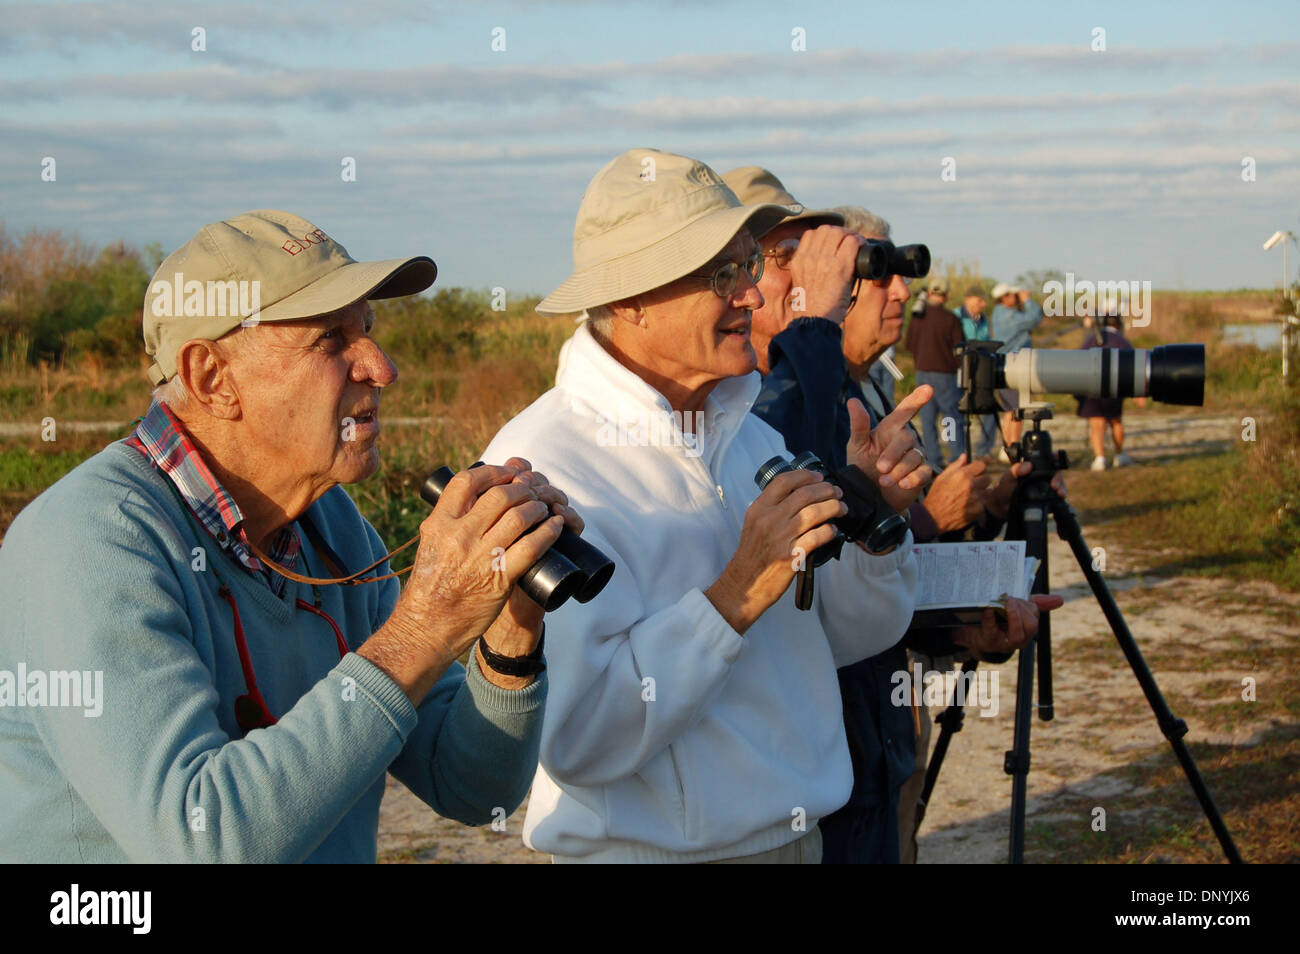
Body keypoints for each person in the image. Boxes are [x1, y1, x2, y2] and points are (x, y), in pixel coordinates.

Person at [0, 210, 581, 862]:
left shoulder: (328, 526)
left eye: (369, 331)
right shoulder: (90, 541)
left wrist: (513, 625)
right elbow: (199, 839)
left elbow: (473, 789)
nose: (383, 368)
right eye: (332, 341)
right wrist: (424, 628)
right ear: (212, 379)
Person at [481, 149, 926, 863]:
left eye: (751, 268)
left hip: (797, 842)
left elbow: (840, 638)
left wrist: (872, 515)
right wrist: (736, 591)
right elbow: (578, 739)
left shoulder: (748, 436)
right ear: (629, 299)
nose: (751, 297)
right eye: (723, 275)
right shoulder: (542, 467)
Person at [728, 172, 1059, 863]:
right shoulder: (750, 409)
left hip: (878, 740)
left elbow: (870, 585)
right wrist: (924, 518)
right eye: (873, 274)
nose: (897, 291)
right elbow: (797, 581)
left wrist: (966, 624)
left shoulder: (867, 388)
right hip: (814, 763)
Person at [904, 277, 966, 472]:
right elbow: (960, 349)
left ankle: (933, 460)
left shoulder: (917, 317)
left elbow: (908, 345)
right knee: (950, 418)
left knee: (928, 419)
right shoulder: (951, 319)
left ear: (929, 293)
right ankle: (956, 458)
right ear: (946, 296)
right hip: (946, 376)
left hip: (923, 373)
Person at [1077, 310, 1144, 470]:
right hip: (1114, 388)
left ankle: (1099, 458)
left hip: (1091, 388)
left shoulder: (1091, 339)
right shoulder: (1122, 341)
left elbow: (1079, 361)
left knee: (1096, 423)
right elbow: (1132, 366)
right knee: (1115, 421)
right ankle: (1119, 455)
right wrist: (1137, 392)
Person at [991, 282, 1045, 450]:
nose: (1016, 297)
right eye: (1013, 295)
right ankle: (1013, 445)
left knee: (1009, 410)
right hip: (1014, 366)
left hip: (1002, 365)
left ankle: (1007, 445)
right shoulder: (1008, 315)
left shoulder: (998, 313)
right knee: (1017, 410)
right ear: (1004, 297)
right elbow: (1034, 319)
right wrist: (1028, 301)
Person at [955, 285, 999, 458]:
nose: (983, 303)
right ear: (968, 299)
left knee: (988, 407)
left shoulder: (983, 319)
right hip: (960, 368)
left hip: (981, 368)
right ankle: (958, 451)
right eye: (979, 300)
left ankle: (984, 449)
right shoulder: (956, 316)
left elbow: (986, 339)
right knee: (956, 409)